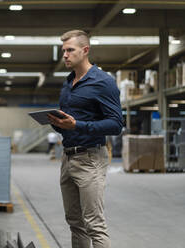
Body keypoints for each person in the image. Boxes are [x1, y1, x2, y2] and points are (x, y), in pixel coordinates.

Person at [47, 30, 123, 248]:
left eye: (70, 50)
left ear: (85, 50)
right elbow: (68, 123)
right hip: (68, 158)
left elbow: (116, 124)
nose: (65, 55)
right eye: (63, 51)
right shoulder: (68, 83)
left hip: (90, 158)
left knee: (94, 225)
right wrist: (56, 122)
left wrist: (77, 125)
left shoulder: (103, 82)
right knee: (75, 223)